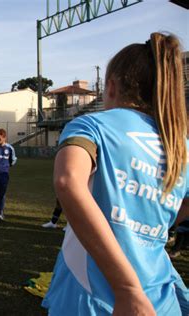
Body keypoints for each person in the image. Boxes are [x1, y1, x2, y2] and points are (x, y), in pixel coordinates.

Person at [42, 33, 189, 315]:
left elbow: (68, 181)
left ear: (110, 87)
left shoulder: (93, 125)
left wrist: (126, 289)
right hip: (162, 299)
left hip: (96, 300)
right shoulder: (180, 145)